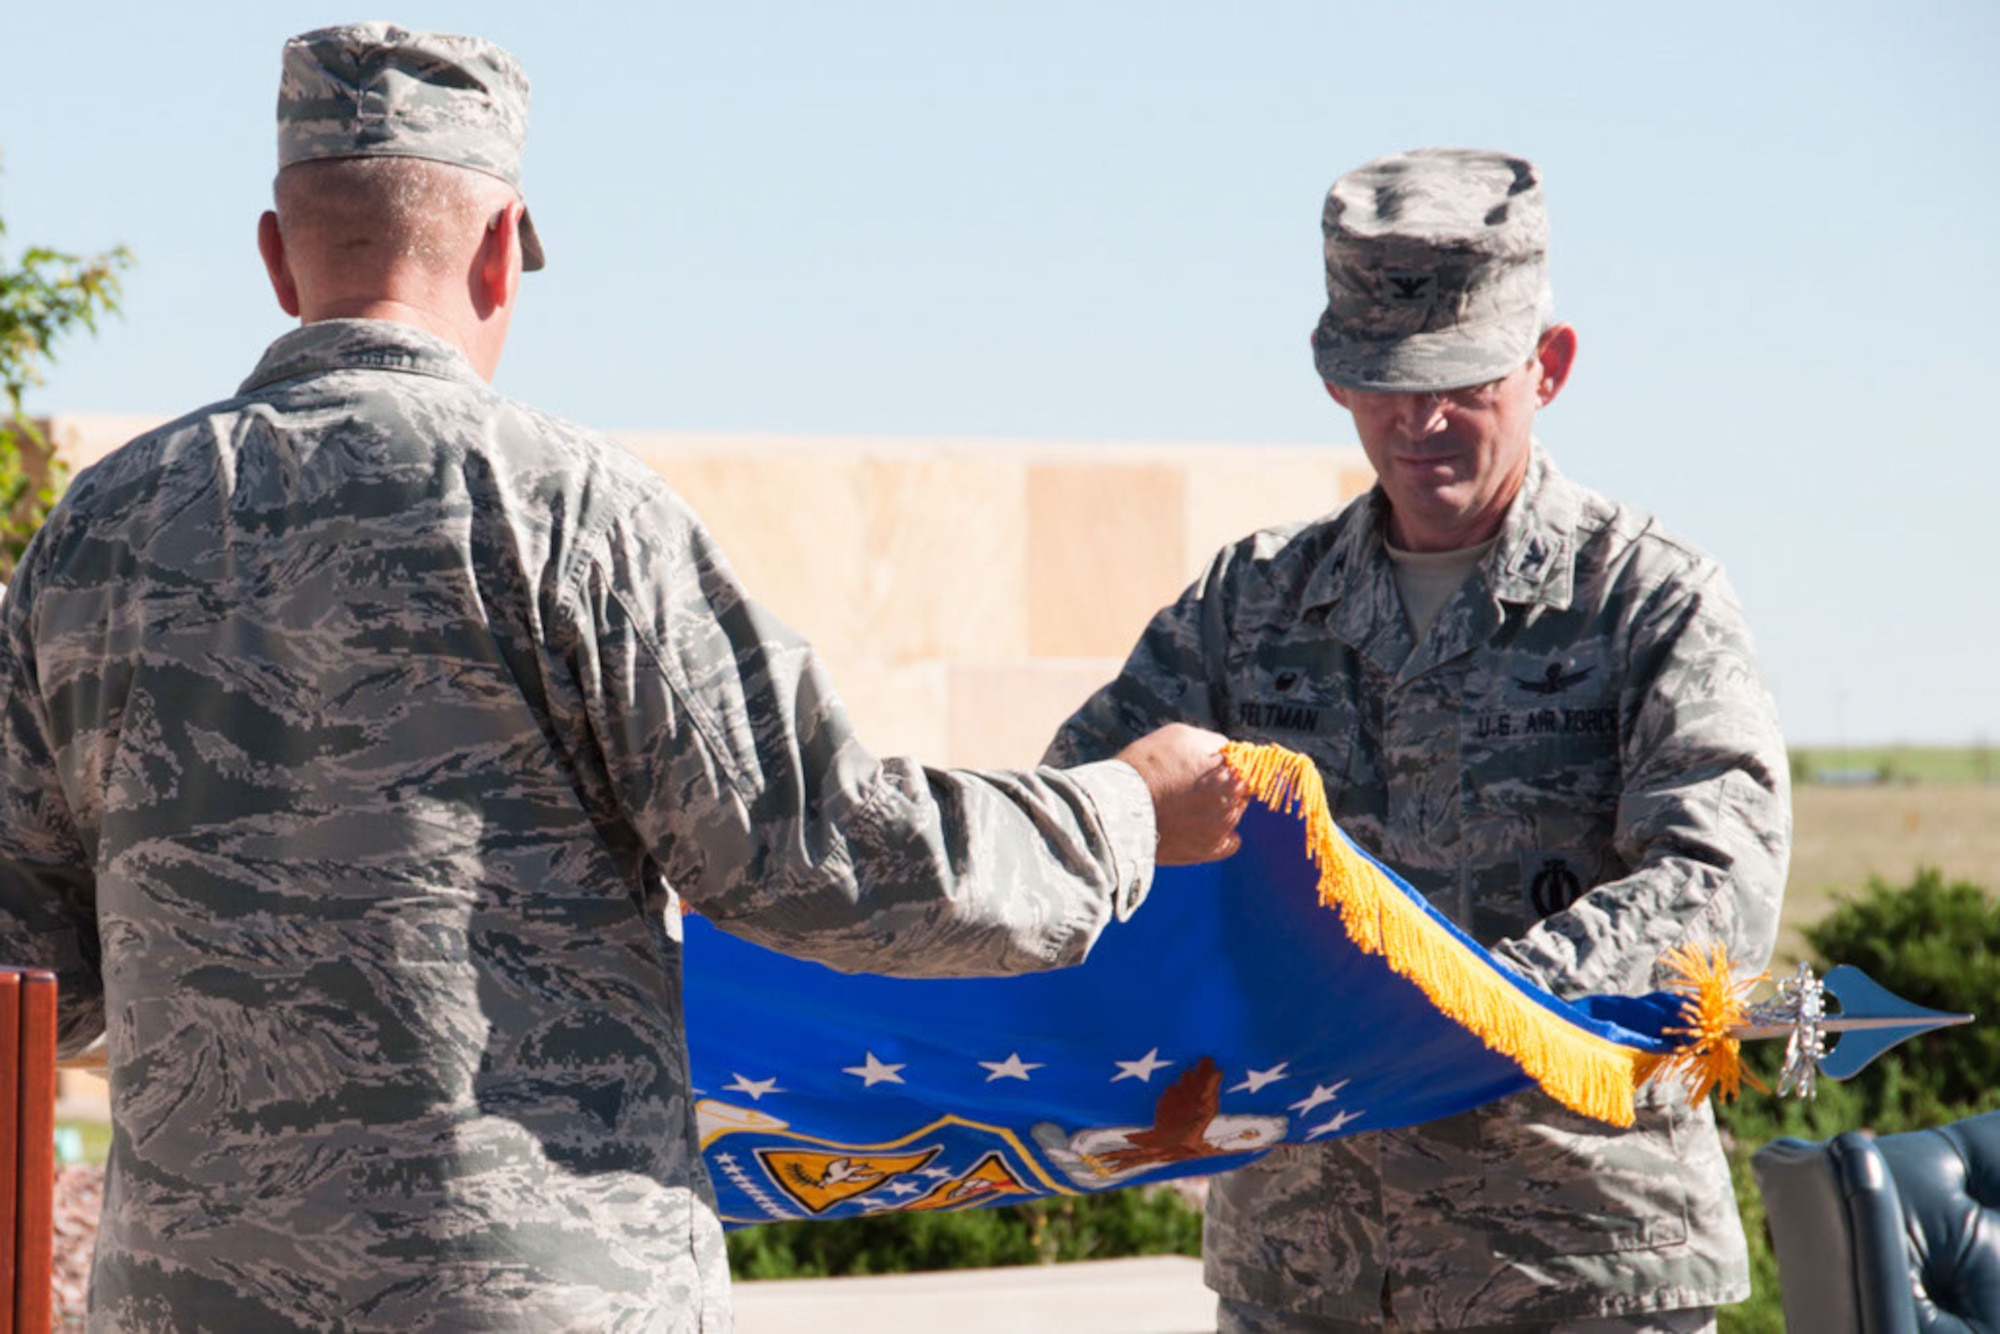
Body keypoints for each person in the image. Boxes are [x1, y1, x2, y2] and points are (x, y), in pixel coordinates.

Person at [0, 23, 1250, 1330]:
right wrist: (1122, 817)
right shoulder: (568, 515)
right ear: (501, 250)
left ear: (276, 255)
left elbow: (38, 977)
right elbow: (821, 851)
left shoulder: (90, 539)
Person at [1046, 147, 1790, 1332]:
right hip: (1309, 1267)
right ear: (1334, 377)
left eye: (1460, 380)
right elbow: (1075, 815)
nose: (1419, 419)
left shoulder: (1651, 599)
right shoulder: (1249, 606)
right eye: (1384, 380)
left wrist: (1471, 1003)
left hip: (1577, 1262)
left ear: (1547, 365)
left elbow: (1716, 888)